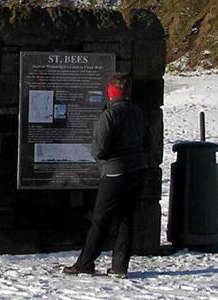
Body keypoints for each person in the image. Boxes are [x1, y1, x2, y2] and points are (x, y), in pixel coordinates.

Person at [63, 72, 150, 279]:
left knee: (100, 219)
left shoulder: (109, 114)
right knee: (126, 218)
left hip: (115, 171)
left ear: (111, 91)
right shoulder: (138, 112)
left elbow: (100, 149)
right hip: (137, 170)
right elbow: (148, 142)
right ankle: (120, 266)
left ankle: (85, 263)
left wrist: (105, 159)